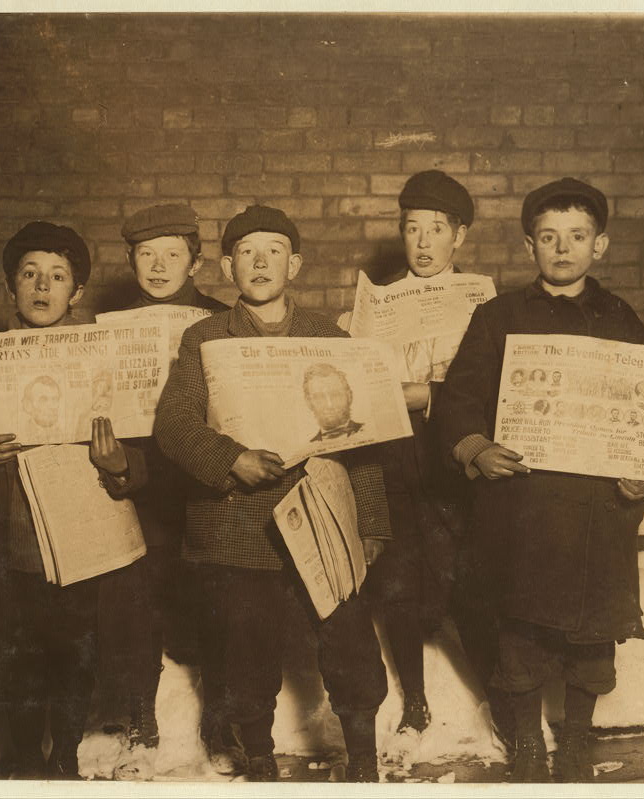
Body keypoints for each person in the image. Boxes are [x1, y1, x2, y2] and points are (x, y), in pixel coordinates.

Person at [153, 205, 392, 783]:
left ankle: (363, 758)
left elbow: (361, 436)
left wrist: (372, 524)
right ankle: (258, 756)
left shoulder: (328, 337)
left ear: (296, 264)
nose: (261, 263)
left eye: (275, 250)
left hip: (323, 515)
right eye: (247, 252)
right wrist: (230, 459)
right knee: (245, 647)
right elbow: (174, 425)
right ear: (229, 265)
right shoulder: (205, 338)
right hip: (239, 523)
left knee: (349, 639)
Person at [437, 178, 644, 783]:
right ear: (529, 246)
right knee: (521, 631)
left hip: (596, 510)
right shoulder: (498, 317)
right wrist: (476, 448)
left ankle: (580, 736)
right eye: (548, 237)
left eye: (577, 237)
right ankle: (528, 740)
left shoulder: (621, 320)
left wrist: (642, 475)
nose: (562, 249)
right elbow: (457, 401)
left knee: (591, 635)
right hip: (522, 507)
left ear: (601, 246)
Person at [0, 221, 147, 779]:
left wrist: (120, 463)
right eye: (29, 274)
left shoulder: (103, 354)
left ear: (76, 293)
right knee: (18, 653)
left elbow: (144, 442)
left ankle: (66, 758)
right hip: (12, 533)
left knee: (74, 650)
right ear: (11, 287)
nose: (42, 286)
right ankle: (27, 759)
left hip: (81, 532)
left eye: (57, 277)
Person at [346, 170, 510, 747]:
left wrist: (431, 395)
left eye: (435, 230)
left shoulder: (486, 304)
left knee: (467, 579)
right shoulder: (379, 303)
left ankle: (500, 700)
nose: (421, 242)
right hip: (393, 457)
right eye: (411, 228)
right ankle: (414, 701)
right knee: (397, 579)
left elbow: (497, 391)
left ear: (458, 237)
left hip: (453, 461)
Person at [95, 203, 232, 779]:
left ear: (195, 262)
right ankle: (138, 721)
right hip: (143, 484)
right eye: (146, 255)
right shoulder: (109, 328)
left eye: (172, 254)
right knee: (138, 599)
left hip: (208, 483)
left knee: (219, 602)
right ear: (130, 261)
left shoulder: (224, 322)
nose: (158, 266)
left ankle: (223, 724)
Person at [303, 363, 364, 441]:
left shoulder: (368, 430)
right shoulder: (307, 448)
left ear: (349, 396)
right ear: (309, 403)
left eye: (335, 395)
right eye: (319, 397)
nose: (329, 405)